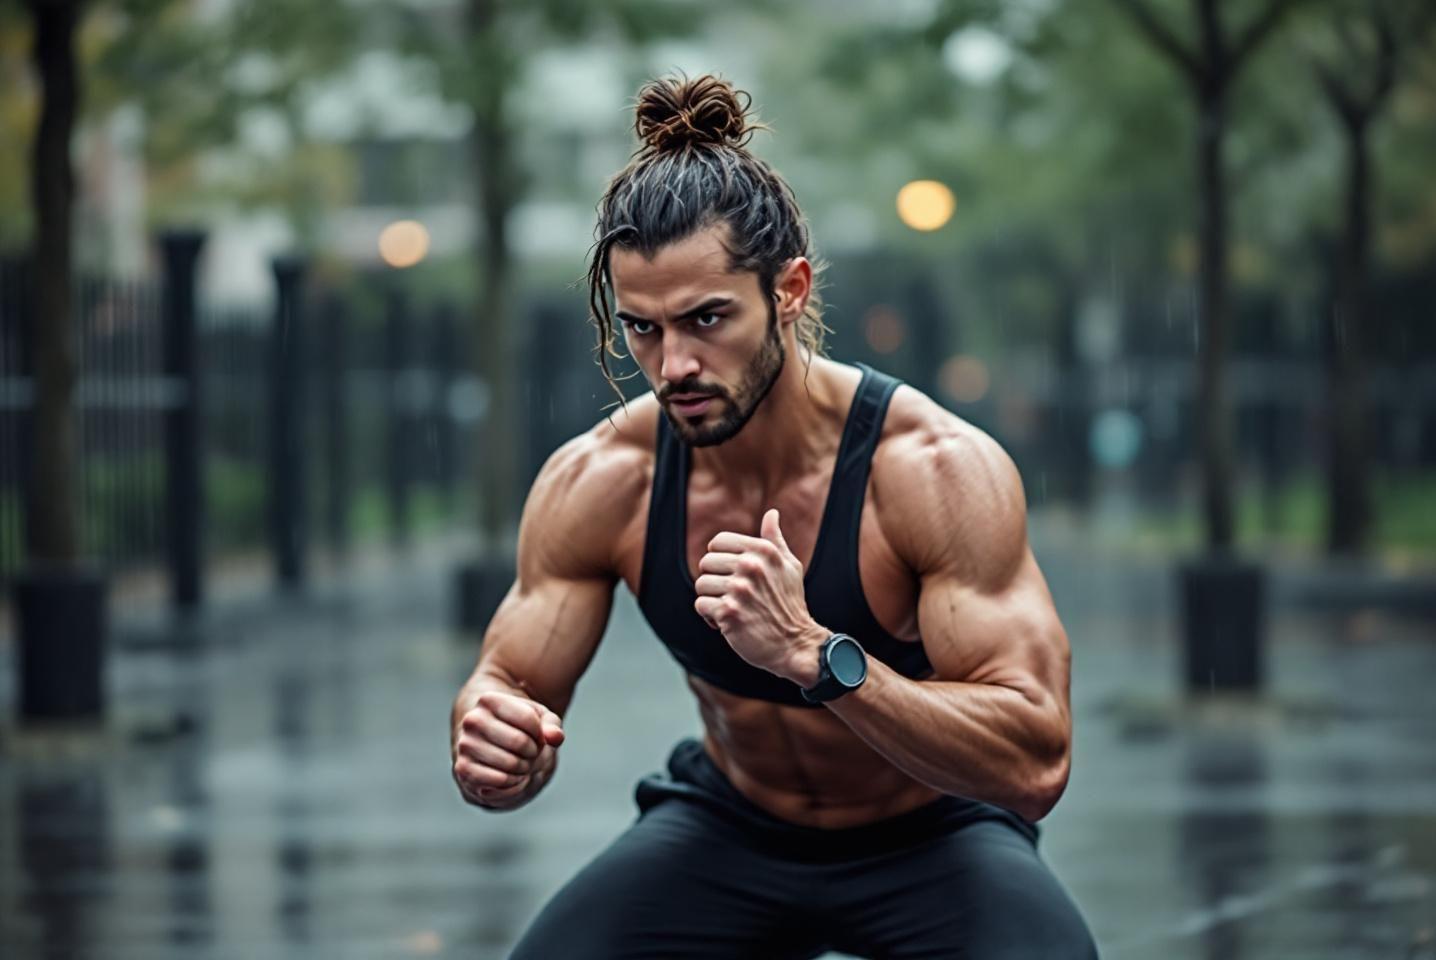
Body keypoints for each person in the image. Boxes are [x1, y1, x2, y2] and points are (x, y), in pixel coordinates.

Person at [450, 73, 1097, 959]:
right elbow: (508, 687)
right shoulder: (605, 477)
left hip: (932, 835)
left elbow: (1032, 764)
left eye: (706, 318)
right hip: (731, 827)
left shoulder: (934, 471)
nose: (673, 363)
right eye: (642, 329)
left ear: (788, 290)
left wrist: (816, 658)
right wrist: (490, 737)